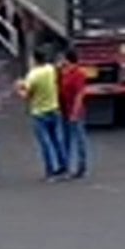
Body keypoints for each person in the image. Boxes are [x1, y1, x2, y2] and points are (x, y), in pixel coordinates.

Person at [17, 47, 67, 181]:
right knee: (57, 140)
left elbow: (26, 95)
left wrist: (18, 88)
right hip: (54, 109)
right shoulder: (51, 70)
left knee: (45, 143)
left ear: (34, 59)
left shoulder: (33, 75)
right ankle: (63, 167)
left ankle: (50, 171)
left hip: (39, 113)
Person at [57, 50, 90, 179]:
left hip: (74, 112)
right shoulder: (64, 72)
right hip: (65, 110)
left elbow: (79, 95)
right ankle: (67, 165)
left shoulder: (78, 74)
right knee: (66, 139)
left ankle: (81, 166)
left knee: (79, 139)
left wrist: (75, 113)